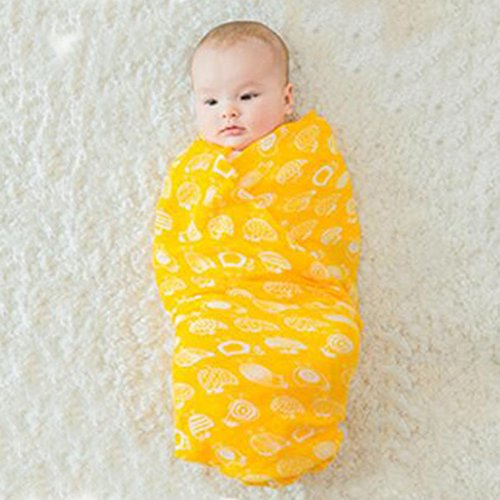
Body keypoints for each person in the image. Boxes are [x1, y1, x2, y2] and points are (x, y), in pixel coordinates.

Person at [152, 20, 363, 488]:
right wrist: (192, 297)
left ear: (286, 99)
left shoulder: (308, 153)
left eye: (247, 96)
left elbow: (329, 222)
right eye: (210, 102)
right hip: (222, 296)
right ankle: (215, 436)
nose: (228, 111)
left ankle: (307, 434)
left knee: (332, 342)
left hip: (303, 293)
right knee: (202, 352)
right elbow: (174, 233)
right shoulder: (195, 167)